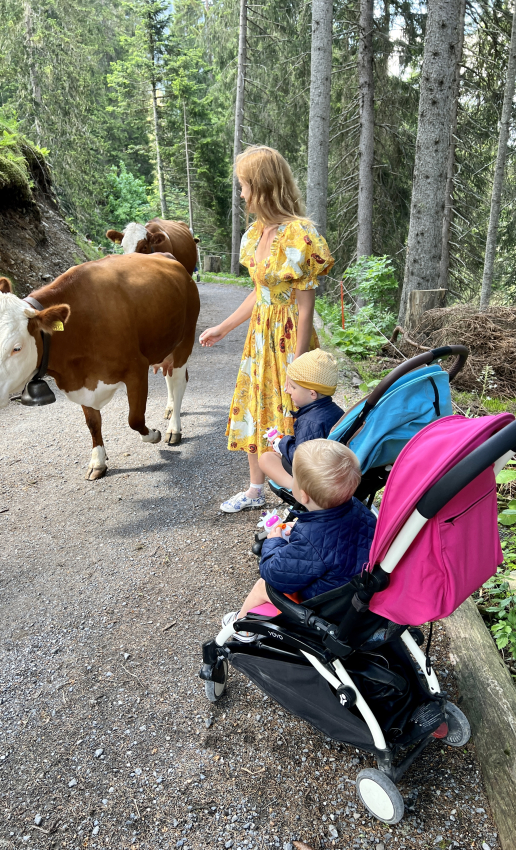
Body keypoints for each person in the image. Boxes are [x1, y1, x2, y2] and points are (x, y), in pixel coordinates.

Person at [199, 145, 334, 513]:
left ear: (262, 187)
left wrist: (298, 360)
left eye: (244, 185)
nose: (241, 194)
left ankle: (298, 492)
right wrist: (224, 328)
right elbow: (259, 295)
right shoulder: (256, 234)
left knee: (293, 412)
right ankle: (255, 490)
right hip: (259, 337)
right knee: (256, 408)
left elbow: (306, 308)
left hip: (291, 337)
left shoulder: (300, 235)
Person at [222, 440, 376, 638]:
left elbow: (275, 573)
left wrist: (273, 541)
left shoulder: (311, 540)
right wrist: (301, 530)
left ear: (303, 496)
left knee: (263, 586)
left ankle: (241, 627)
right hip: (357, 591)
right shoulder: (358, 508)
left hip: (328, 606)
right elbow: (335, 539)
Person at [259, 348, 344, 490]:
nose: (287, 390)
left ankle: (299, 491)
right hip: (331, 470)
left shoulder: (310, 421)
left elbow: (301, 459)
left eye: (292, 387)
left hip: (318, 480)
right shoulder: (336, 410)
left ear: (312, 394)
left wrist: (280, 442)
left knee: (266, 459)